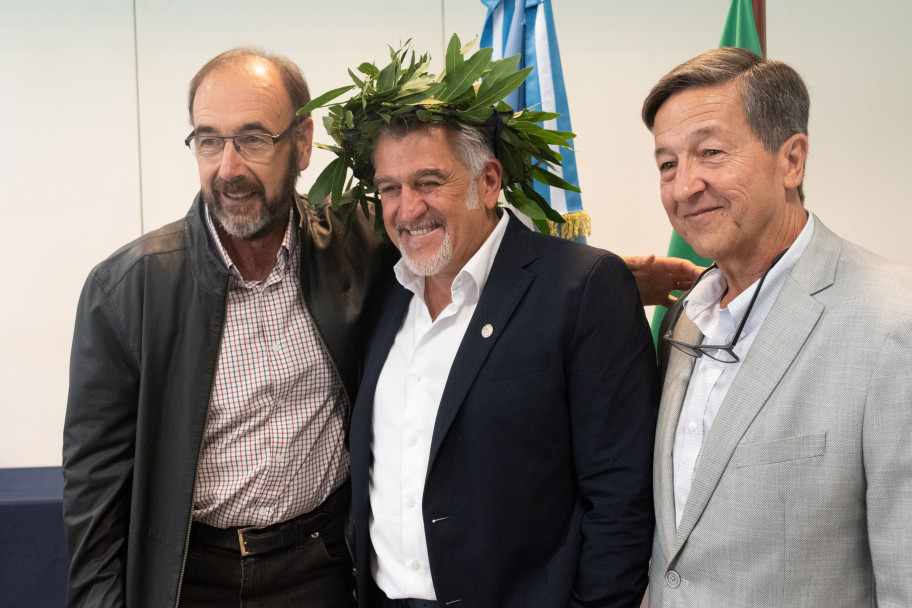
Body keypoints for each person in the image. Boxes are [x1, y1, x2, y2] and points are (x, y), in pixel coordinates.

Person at [62, 47, 396, 606]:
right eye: (209, 140)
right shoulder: (126, 291)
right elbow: (94, 491)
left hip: (324, 565)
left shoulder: (361, 248)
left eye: (254, 139)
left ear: (304, 142)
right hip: (189, 577)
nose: (229, 167)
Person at [338, 69, 660, 606]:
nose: (406, 209)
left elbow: (622, 498)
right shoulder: (382, 292)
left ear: (489, 182)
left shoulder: (581, 289)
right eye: (389, 188)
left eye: (428, 182)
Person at [644, 47, 912, 607]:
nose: (684, 186)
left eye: (710, 153)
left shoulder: (893, 319)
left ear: (792, 161)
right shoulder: (685, 316)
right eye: (667, 163)